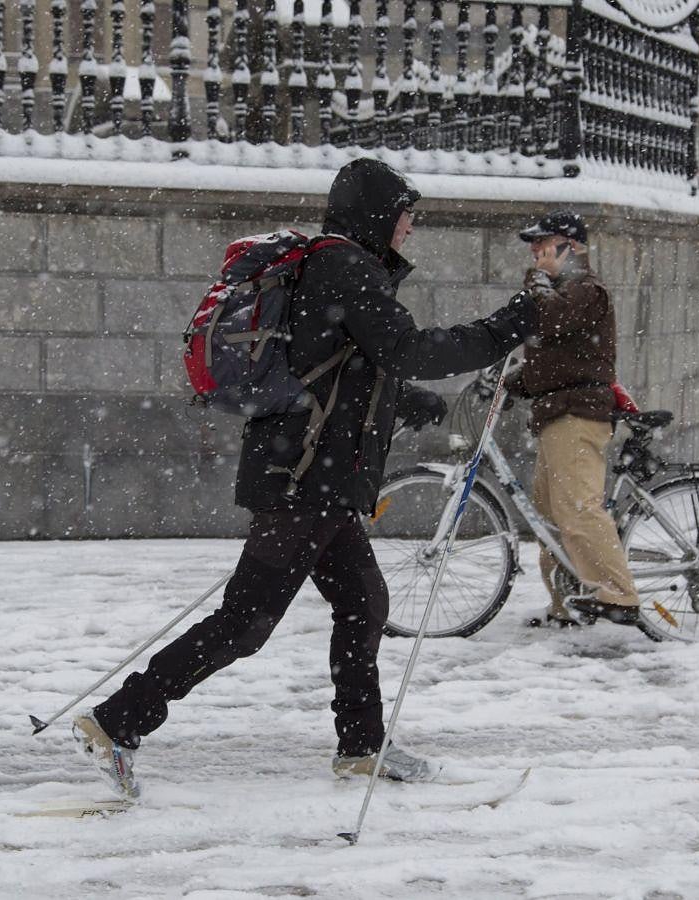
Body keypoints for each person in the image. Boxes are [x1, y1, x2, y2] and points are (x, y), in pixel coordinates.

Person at [72, 158, 538, 798]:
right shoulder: (344, 266)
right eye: (406, 213)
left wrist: (401, 404)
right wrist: (510, 324)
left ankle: (361, 747)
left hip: (318, 477)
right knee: (246, 621)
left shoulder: (341, 268)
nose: (410, 227)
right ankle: (118, 720)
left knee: (364, 603)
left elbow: (335, 367)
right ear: (378, 211)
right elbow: (409, 350)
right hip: (305, 479)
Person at [511, 210, 641, 630]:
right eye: (534, 245)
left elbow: (548, 320)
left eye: (542, 243)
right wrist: (512, 380)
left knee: (578, 509)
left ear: (573, 247)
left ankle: (618, 595)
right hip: (556, 414)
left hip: (576, 416)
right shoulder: (566, 289)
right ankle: (565, 604)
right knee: (550, 514)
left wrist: (539, 280)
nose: (534, 252)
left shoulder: (587, 289)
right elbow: (557, 357)